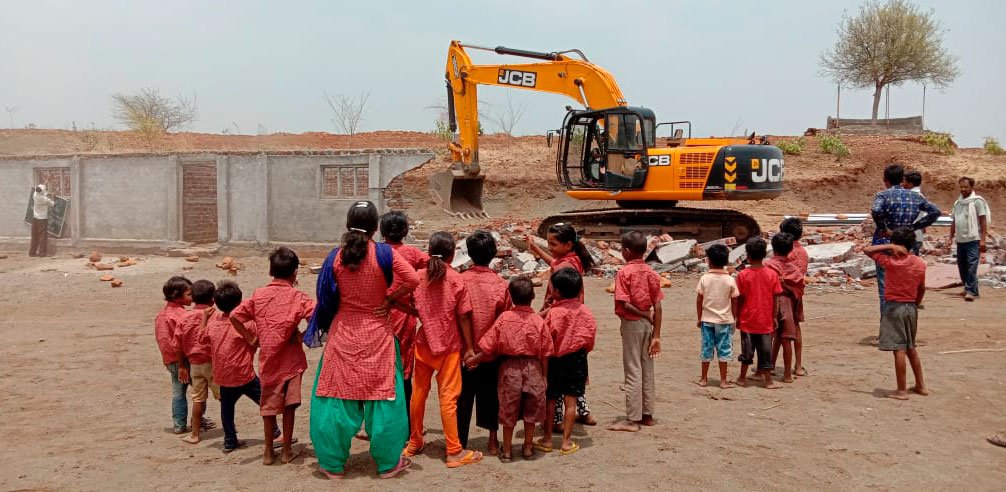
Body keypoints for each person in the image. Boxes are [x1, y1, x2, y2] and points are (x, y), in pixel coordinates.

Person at [308, 201, 420, 479]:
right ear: (375, 227)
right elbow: (412, 279)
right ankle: (387, 464)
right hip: (378, 335)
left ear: (348, 223)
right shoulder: (384, 254)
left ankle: (332, 465)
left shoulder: (336, 256)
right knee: (383, 398)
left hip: (343, 334)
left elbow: (324, 297)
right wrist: (389, 298)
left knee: (335, 396)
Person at [230, 247, 315, 465]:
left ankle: (268, 452)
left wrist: (251, 338)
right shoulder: (298, 297)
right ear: (295, 273)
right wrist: (302, 336)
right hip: (292, 360)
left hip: (268, 360)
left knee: (268, 407)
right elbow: (318, 317)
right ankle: (286, 451)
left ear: (271, 272)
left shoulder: (259, 295)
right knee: (289, 406)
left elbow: (235, 315)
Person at [405, 231, 483, 468]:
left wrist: (418, 314)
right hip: (448, 345)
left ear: (428, 252)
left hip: (424, 342)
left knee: (418, 394)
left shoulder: (417, 276)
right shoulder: (456, 279)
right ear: (452, 255)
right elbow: (464, 317)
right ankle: (453, 450)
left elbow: (404, 300)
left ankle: (414, 441)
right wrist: (469, 347)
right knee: (448, 398)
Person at [526, 222, 597, 426]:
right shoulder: (569, 260)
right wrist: (535, 248)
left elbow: (559, 303)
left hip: (562, 324)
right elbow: (553, 263)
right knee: (574, 377)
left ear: (567, 245)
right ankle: (582, 412)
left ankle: (555, 420)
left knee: (555, 375)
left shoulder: (566, 266)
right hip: (572, 325)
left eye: (553, 244)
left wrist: (538, 316)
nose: (550, 247)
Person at [477, 277, 551, 462]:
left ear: (510, 297)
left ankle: (508, 450)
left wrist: (474, 358)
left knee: (508, 409)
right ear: (533, 297)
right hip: (533, 367)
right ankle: (527, 448)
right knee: (531, 411)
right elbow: (546, 352)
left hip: (509, 368)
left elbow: (489, 344)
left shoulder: (504, 318)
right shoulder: (538, 321)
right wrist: (544, 376)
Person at [204, 281, 275, 453]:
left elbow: (204, 339)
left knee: (226, 409)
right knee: (265, 403)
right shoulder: (247, 324)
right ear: (240, 302)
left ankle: (229, 440)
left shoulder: (213, 323)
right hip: (244, 374)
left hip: (223, 375)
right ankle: (275, 433)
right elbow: (258, 340)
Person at [457, 230, 509, 455]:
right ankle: (492, 440)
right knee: (491, 395)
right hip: (490, 353)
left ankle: (460, 440)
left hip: (463, 352)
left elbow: (458, 315)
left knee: (462, 397)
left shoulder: (460, 281)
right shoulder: (501, 284)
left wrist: (469, 349)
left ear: (468, 253)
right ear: (493, 254)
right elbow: (502, 322)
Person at [537, 268, 597, 456]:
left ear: (557, 292)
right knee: (571, 401)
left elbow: (545, 337)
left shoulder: (554, 313)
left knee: (551, 399)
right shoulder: (586, 312)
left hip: (555, 359)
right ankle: (566, 442)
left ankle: (547, 438)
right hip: (577, 358)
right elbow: (590, 338)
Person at [377, 211, 428, 432]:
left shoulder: (377, 253)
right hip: (405, 317)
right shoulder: (413, 254)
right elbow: (437, 266)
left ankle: (376, 423)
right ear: (405, 231)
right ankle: (406, 424)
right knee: (405, 369)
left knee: (380, 366)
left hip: (379, 315)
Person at [863, 227, 928, 400]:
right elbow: (922, 288)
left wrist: (889, 246)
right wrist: (916, 303)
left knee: (898, 348)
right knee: (911, 347)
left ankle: (901, 390)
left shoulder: (890, 262)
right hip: (911, 307)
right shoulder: (920, 263)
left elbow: (867, 250)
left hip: (894, 307)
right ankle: (920, 385)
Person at [608, 231, 663, 432]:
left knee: (632, 370)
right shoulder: (651, 273)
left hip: (632, 324)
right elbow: (658, 306)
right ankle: (647, 415)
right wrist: (656, 334)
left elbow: (624, 303)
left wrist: (643, 314)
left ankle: (632, 419)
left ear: (627, 251)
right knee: (647, 369)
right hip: (648, 326)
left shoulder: (624, 273)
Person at [870, 164, 941, 311]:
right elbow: (935, 212)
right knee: (908, 285)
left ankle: (887, 326)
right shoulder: (915, 197)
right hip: (908, 244)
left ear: (885, 180)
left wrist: (884, 228)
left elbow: (876, 210)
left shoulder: (883, 195)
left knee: (885, 288)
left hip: (886, 243)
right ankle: (907, 322)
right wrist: (914, 227)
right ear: (902, 179)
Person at [175, 280, 219, 445]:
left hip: (194, 364)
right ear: (213, 299)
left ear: (192, 297)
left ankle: (194, 434)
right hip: (212, 362)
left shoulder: (184, 317)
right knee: (224, 397)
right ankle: (229, 430)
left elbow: (177, 345)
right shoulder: (215, 316)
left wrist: (181, 366)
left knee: (198, 398)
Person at [735, 238, 783, 389]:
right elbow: (776, 298)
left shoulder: (742, 275)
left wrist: (737, 316)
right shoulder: (771, 275)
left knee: (746, 352)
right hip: (765, 321)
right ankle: (768, 380)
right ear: (764, 255)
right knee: (765, 352)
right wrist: (774, 317)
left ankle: (742, 378)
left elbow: (739, 298)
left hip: (747, 320)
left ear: (748, 255)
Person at [694, 244, 739, 389]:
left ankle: (703, 378)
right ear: (726, 261)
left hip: (707, 320)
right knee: (724, 350)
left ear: (709, 261)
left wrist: (699, 317)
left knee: (706, 348)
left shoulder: (704, 279)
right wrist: (734, 317)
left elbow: (699, 299)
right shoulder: (730, 280)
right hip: (725, 320)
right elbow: (734, 299)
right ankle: (723, 380)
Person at [155, 276, 194, 434]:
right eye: (189, 294)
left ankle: (179, 424)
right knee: (199, 391)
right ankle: (197, 420)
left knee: (178, 392)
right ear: (177, 297)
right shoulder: (180, 316)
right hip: (183, 361)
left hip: (170, 360)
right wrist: (184, 365)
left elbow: (162, 340)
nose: (192, 297)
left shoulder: (162, 314)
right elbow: (181, 344)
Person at [765, 233, 805, 383]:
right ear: (790, 250)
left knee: (767, 338)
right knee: (786, 339)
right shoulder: (794, 270)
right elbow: (799, 291)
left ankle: (765, 369)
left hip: (771, 305)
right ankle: (787, 374)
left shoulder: (768, 266)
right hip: (789, 306)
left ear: (773, 248)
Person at [950, 176, 990, 302]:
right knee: (962, 266)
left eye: (966, 187)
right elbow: (954, 221)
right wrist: (950, 237)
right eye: (961, 187)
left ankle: (970, 291)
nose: (963, 189)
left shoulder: (977, 201)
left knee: (972, 266)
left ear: (972, 187)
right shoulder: (958, 203)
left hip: (973, 239)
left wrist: (983, 240)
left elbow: (983, 222)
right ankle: (970, 288)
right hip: (961, 239)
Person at [780, 218, 809, 376]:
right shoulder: (802, 252)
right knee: (796, 329)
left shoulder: (784, 251)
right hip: (797, 293)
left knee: (777, 331)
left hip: (783, 294)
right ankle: (798, 366)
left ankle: (769, 363)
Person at [903, 171, 927, 255]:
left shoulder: (909, 197)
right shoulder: (921, 196)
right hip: (917, 234)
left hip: (908, 235)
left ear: (911, 183)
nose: (902, 183)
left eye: (904, 181)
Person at [28, 185, 55, 257]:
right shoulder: (44, 199)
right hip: (42, 219)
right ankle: (42, 253)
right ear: (43, 192)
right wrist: (53, 197)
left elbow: (41, 191)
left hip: (35, 219)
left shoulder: (34, 195)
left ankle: (32, 252)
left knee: (34, 236)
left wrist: (45, 186)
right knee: (42, 236)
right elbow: (52, 204)